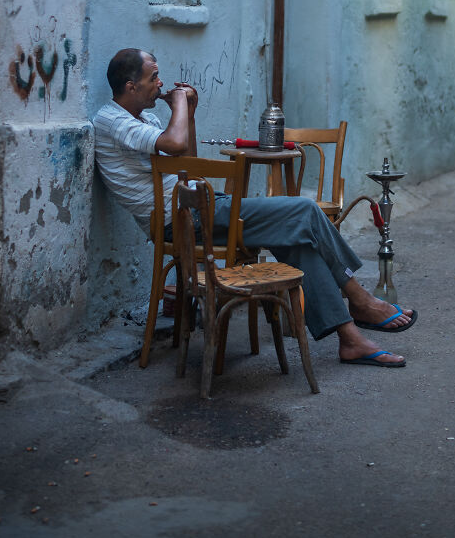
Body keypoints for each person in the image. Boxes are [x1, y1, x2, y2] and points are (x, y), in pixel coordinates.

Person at [93, 48, 418, 367]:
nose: (161, 84)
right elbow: (175, 144)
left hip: (200, 208)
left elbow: (185, 162)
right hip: (180, 220)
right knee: (304, 210)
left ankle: (350, 340)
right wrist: (178, 104)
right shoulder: (111, 121)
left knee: (298, 238)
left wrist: (188, 113)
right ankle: (360, 300)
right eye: (154, 78)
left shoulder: (143, 118)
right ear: (131, 86)